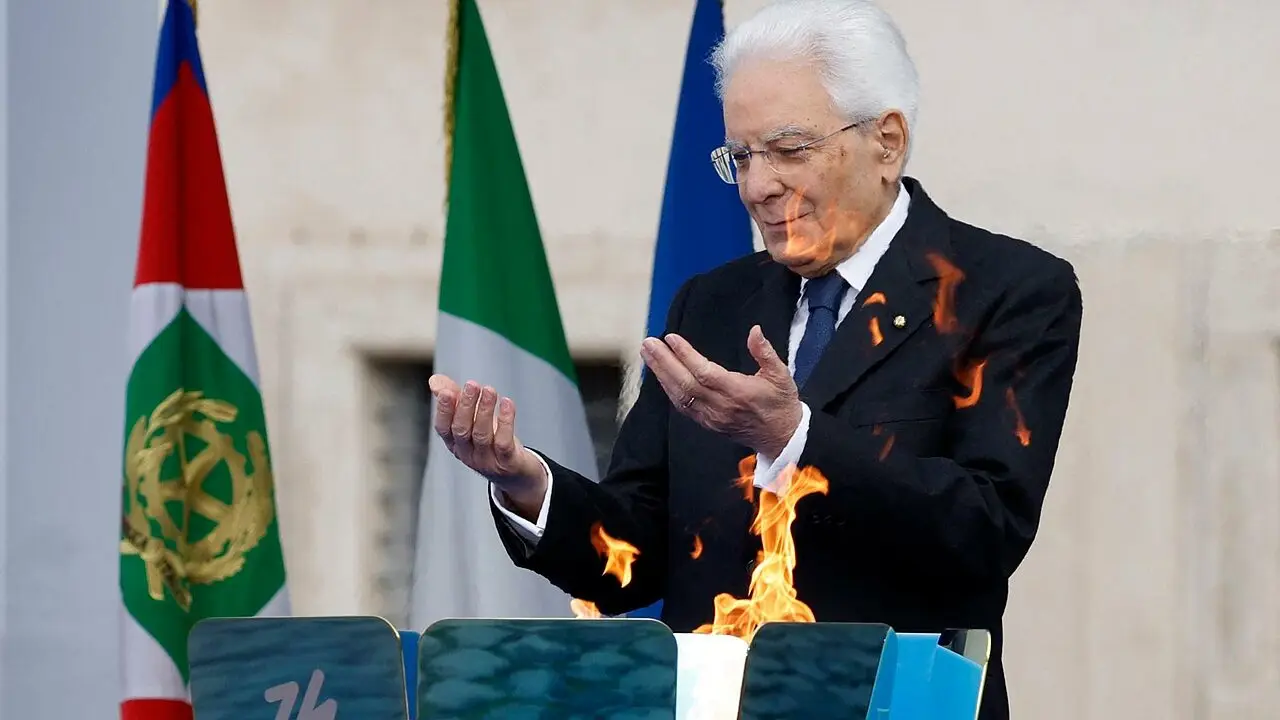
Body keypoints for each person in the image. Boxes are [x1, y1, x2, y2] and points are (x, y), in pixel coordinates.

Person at [426, 1, 1082, 717]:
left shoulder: (1005, 292)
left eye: (788, 150)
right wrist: (526, 482)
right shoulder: (711, 304)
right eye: (740, 156)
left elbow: (983, 530)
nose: (756, 187)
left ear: (887, 141)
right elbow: (632, 556)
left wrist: (795, 440)